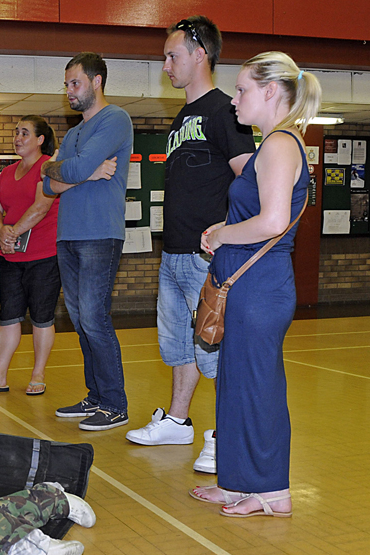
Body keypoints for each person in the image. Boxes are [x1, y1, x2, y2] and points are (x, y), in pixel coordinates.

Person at [191, 52, 320, 517]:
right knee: (236, 383)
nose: (234, 101)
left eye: (242, 90)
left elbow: (273, 221)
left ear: (270, 92)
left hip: (260, 288)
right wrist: (221, 232)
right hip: (244, 284)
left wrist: (222, 233)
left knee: (258, 385)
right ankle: (237, 480)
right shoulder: (271, 146)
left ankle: (271, 490)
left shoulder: (283, 144)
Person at [124, 16, 255, 476]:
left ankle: (224, 436)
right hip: (175, 253)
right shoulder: (182, 118)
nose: (165, 65)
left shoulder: (225, 112)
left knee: (214, 350)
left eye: (171, 55)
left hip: (208, 258)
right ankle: (177, 421)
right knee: (178, 346)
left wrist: (227, 231)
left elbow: (251, 179)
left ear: (201, 54)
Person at [0, 117, 116, 396]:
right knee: (9, 316)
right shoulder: (7, 172)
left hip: (44, 255)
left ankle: (38, 374)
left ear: (40, 140)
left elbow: (42, 206)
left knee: (41, 317)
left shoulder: (49, 167)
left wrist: (12, 233)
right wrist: (2, 231)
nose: (18, 138)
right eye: (16, 133)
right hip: (11, 256)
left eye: (25, 133)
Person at [41, 52, 134, 431]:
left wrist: (68, 169)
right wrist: (79, 171)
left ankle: (115, 404)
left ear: (97, 81)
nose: (69, 91)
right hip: (69, 236)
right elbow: (49, 184)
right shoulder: (76, 132)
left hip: (100, 233)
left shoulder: (115, 120)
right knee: (79, 321)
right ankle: (95, 395)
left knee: (95, 319)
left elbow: (67, 171)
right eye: (66, 84)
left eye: (75, 83)